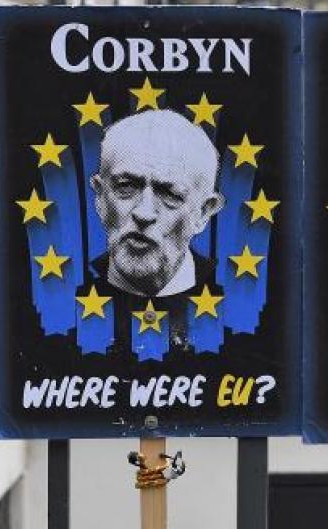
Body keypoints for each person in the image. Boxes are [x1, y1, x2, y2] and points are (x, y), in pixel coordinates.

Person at [85, 109, 225, 355]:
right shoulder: (66, 303)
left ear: (203, 212)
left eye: (170, 194)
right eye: (126, 187)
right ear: (100, 197)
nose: (144, 213)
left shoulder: (232, 306)